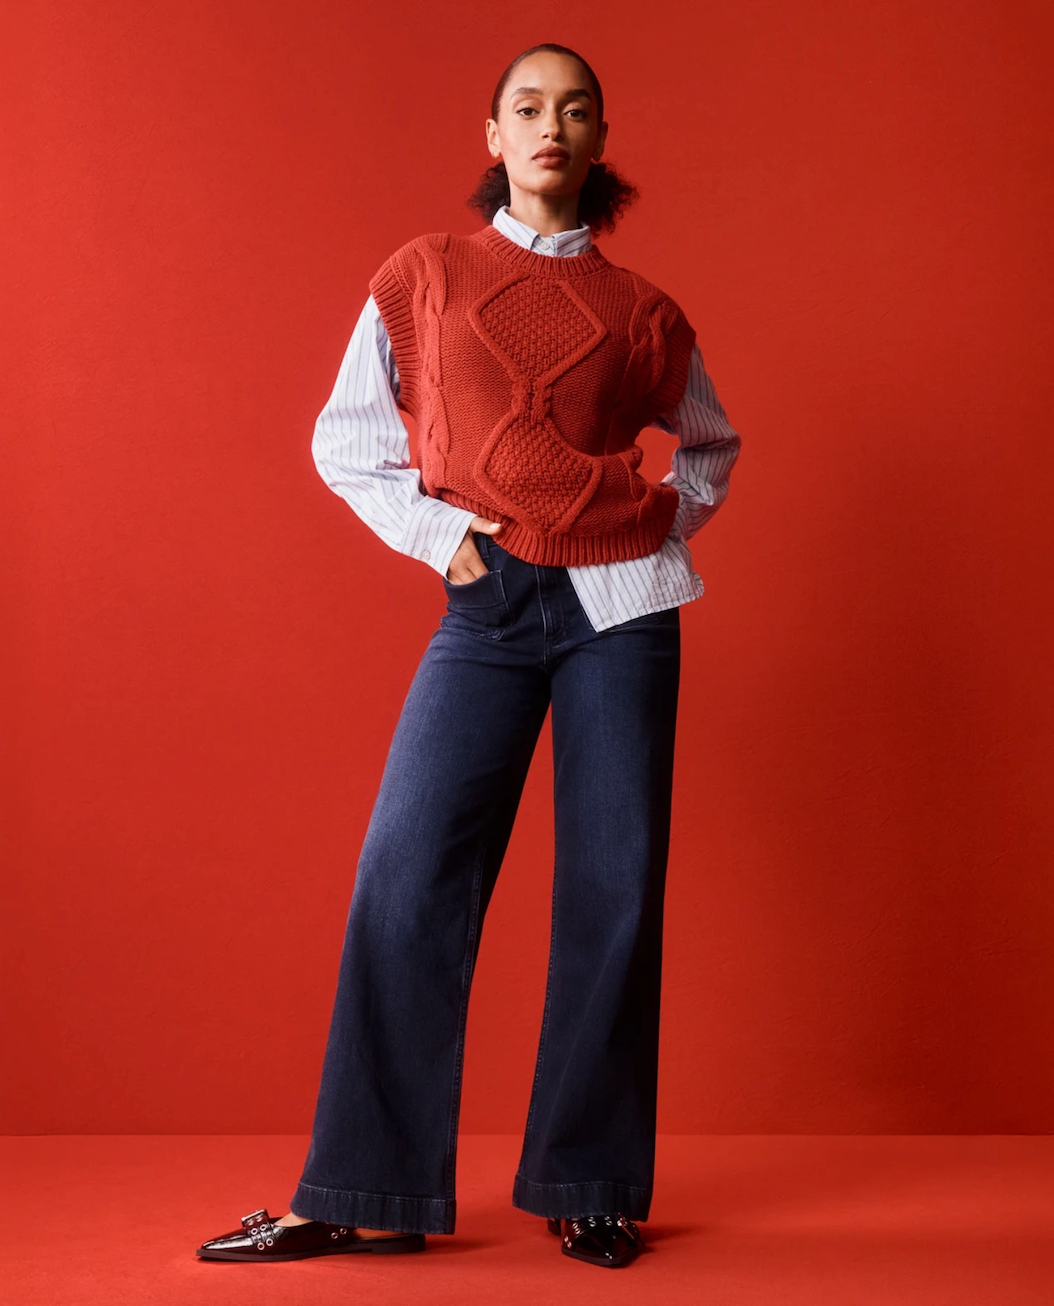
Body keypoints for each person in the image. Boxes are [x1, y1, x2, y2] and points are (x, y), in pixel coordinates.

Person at [196, 41, 741, 1271]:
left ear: (601, 144)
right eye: (528, 108)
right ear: (492, 137)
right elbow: (350, 437)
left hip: (623, 607)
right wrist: (443, 539)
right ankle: (364, 1188)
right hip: (487, 604)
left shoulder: (644, 311)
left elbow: (708, 444)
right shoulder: (425, 276)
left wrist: (648, 535)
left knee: (613, 885)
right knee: (409, 871)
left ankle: (589, 1182)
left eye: (577, 110)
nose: (553, 125)